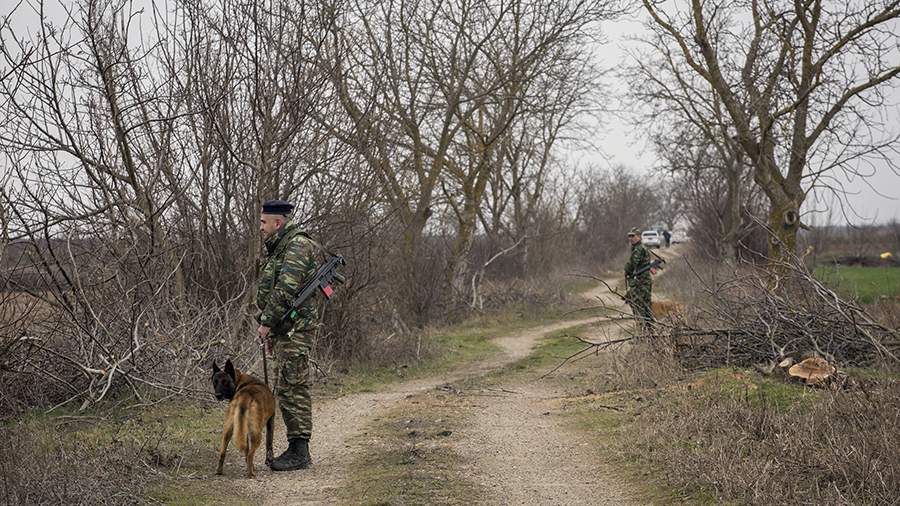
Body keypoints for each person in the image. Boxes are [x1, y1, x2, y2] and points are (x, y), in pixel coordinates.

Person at [256, 199, 322, 471]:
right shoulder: (281, 246)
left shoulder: (297, 245)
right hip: (285, 329)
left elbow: (285, 289)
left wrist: (266, 322)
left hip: (296, 328)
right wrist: (273, 329)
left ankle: (300, 451)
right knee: (286, 386)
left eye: (264, 222)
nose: (261, 227)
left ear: (278, 222)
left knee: (293, 386)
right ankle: (296, 448)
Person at [624, 227, 654, 331]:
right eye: (629, 236)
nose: (630, 238)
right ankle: (648, 332)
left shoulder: (639, 249)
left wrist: (626, 270)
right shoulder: (638, 247)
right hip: (641, 281)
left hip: (642, 282)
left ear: (639, 237)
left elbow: (633, 263)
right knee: (643, 306)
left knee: (640, 305)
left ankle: (644, 331)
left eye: (633, 236)